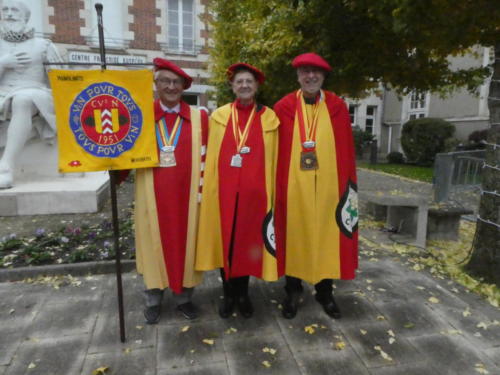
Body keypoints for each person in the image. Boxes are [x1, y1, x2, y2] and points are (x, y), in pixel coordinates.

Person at [274, 52, 358, 319]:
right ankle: (292, 290)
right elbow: (277, 150)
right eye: (305, 72)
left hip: (328, 187)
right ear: (298, 76)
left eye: (316, 72)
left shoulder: (337, 106)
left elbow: (346, 150)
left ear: (323, 76)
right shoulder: (284, 107)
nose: (310, 76)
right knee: (294, 234)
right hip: (294, 186)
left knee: (327, 235)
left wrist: (346, 188)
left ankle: (325, 292)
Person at [196, 63, 280, 319]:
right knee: (227, 245)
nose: (244, 85)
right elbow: (209, 155)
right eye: (239, 81)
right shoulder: (219, 116)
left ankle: (243, 293)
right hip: (223, 194)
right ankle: (229, 293)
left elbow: (274, 158)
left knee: (247, 245)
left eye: (249, 82)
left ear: (256, 86)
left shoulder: (269, 118)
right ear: (232, 86)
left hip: (255, 197)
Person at [134, 58, 208, 324]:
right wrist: (113, 167)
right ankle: (153, 299)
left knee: (186, 246)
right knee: (151, 245)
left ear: (183, 87)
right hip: (151, 196)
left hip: (187, 199)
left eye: (176, 82)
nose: (170, 86)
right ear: (156, 84)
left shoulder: (200, 119)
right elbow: (124, 153)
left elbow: (211, 157)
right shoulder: (140, 117)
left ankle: (184, 298)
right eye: (165, 80)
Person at [0, 0, 62, 188]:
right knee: (18, 99)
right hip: (2, 93)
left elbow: (60, 79)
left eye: (14, 10)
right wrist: (3, 63)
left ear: (25, 16)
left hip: (36, 91)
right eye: (5, 10)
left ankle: (6, 167)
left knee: (23, 100)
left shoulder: (43, 45)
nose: (9, 14)